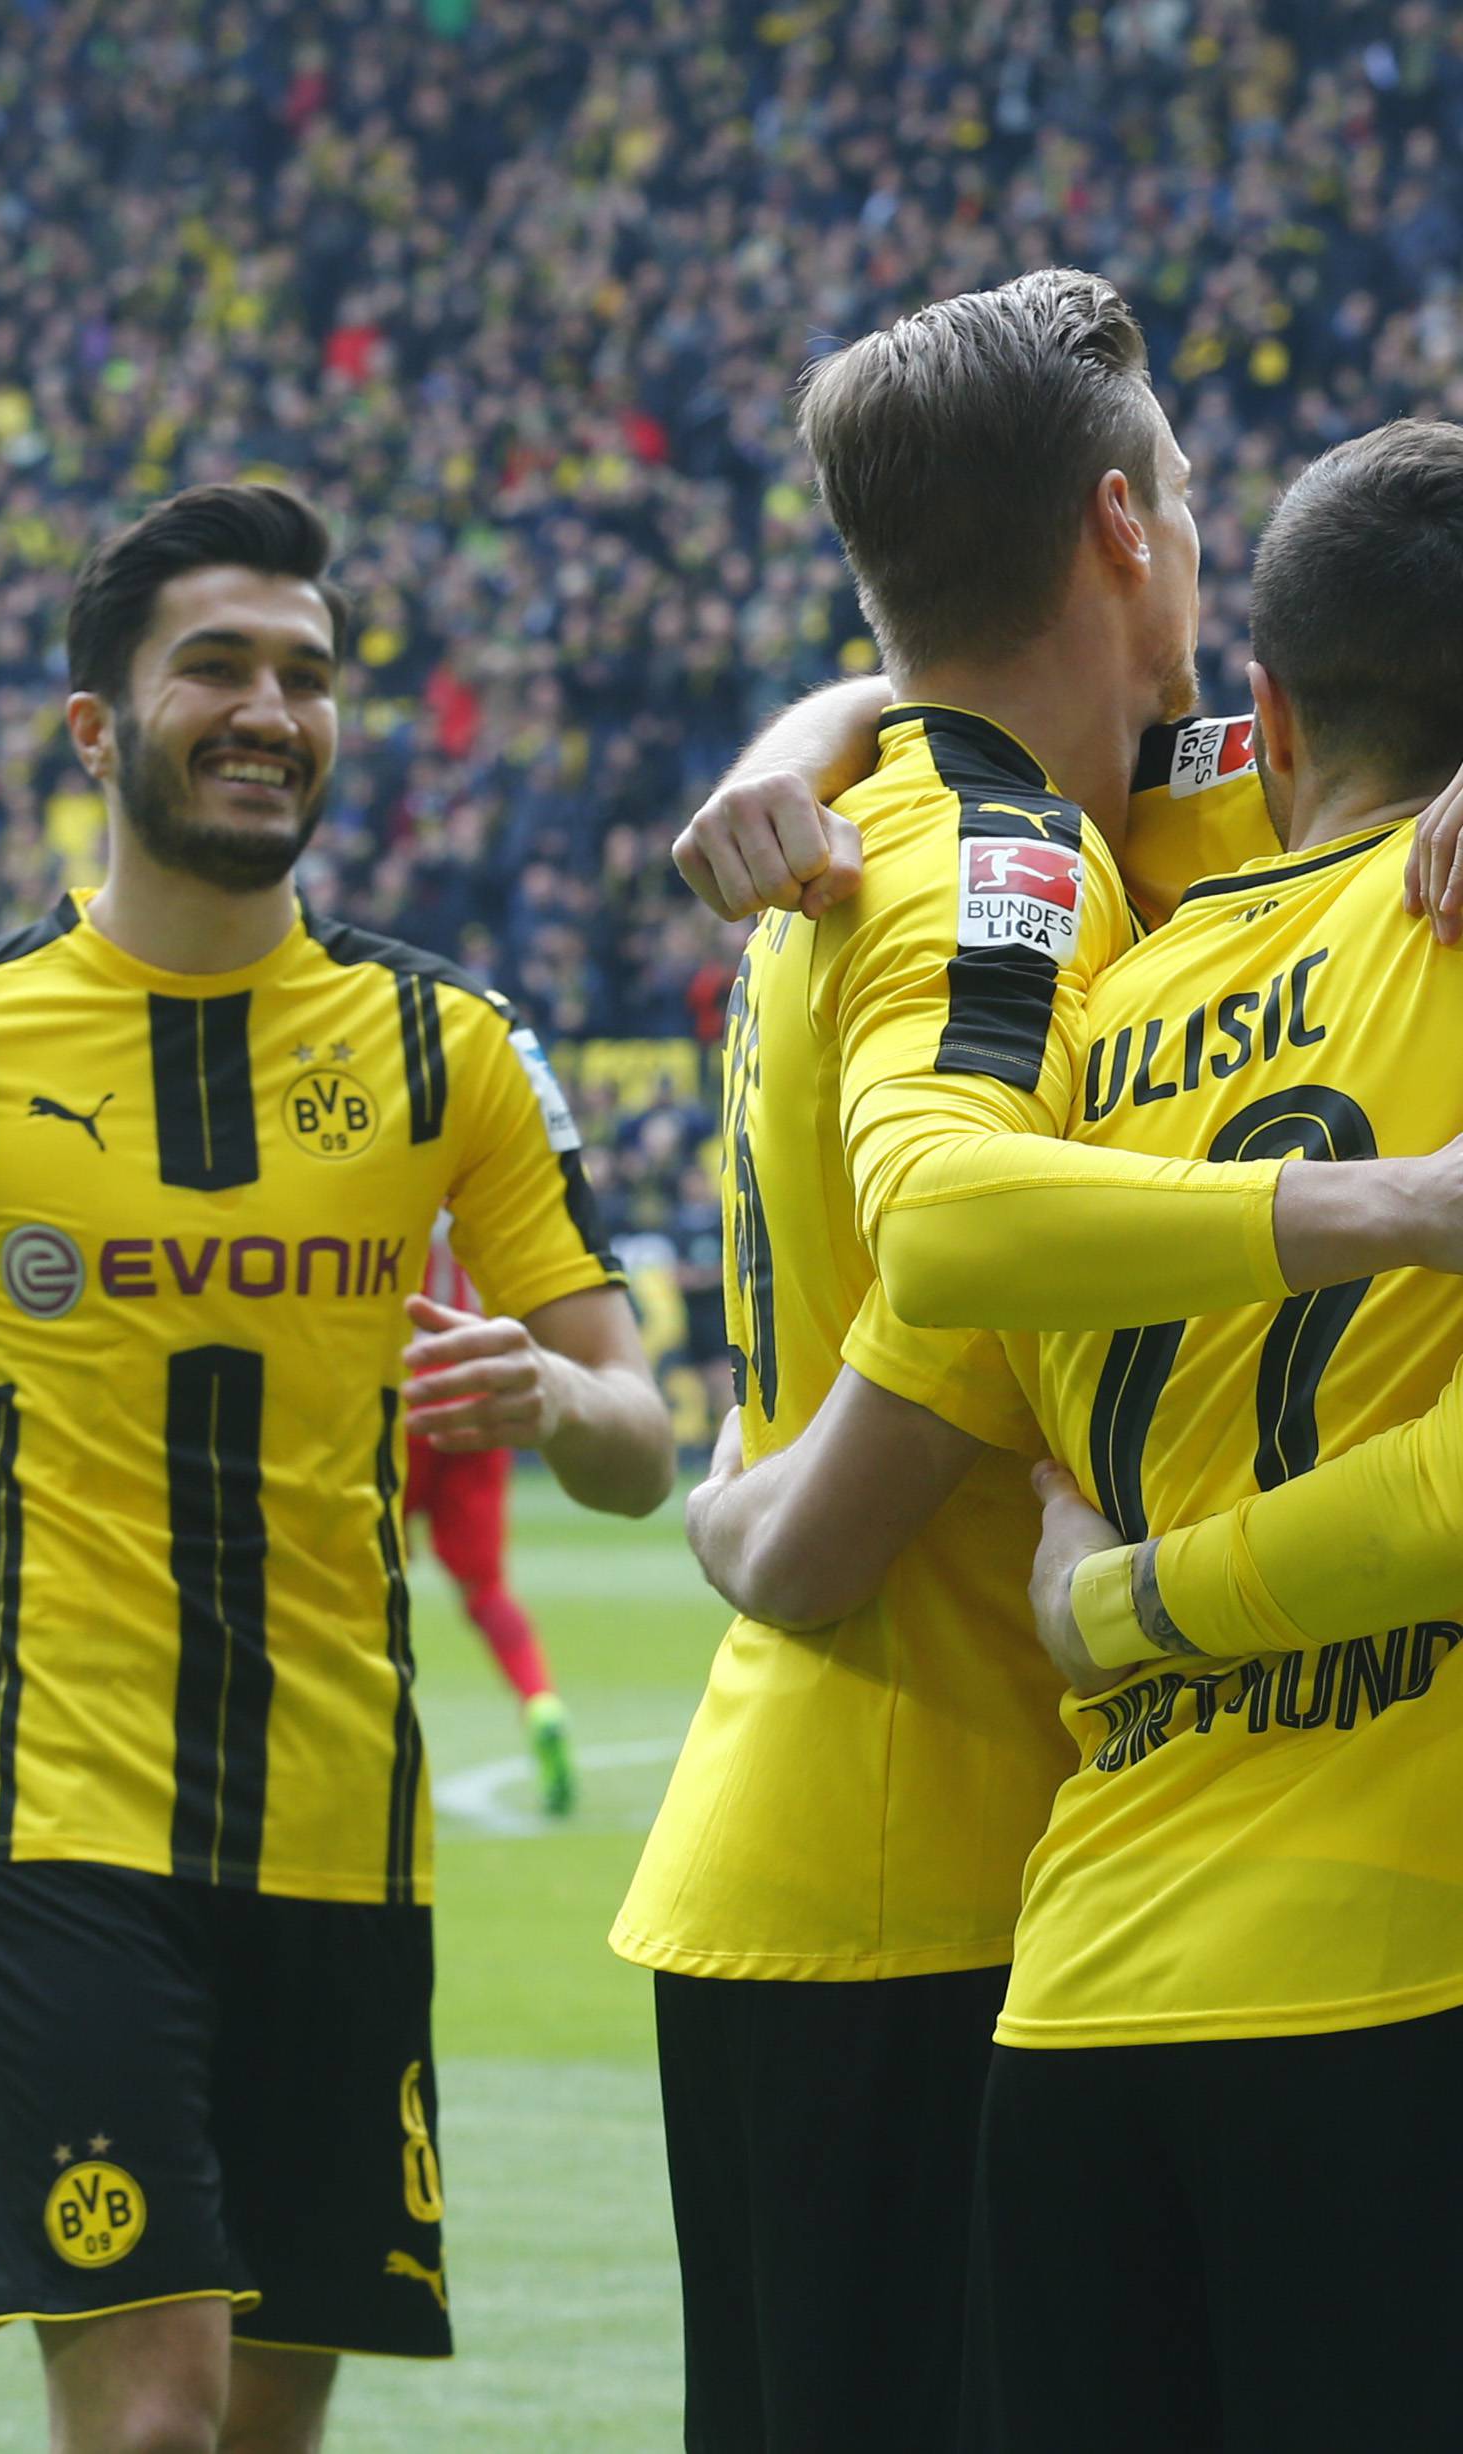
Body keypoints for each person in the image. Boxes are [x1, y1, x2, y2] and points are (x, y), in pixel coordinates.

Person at [0, 484, 674, 2454]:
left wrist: (550, 1402)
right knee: (150, 2429)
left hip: (343, 1835)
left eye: (306, 672)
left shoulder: (452, 1048)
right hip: (46, 1816)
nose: (269, 705)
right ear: (97, 727)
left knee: (265, 2438)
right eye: (216, 662)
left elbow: (641, 1447)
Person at [609, 273, 1463, 2452]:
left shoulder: (979, 804)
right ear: (1120, 526)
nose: (1201, 540)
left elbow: (1351, 730)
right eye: (1181, 492)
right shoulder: (992, 863)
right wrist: (1396, 1202)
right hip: (927, 1839)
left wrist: (802, 721)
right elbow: (957, 1235)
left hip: (911, 1849)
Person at [405, 1217, 575, 1814]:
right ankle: (540, 1701)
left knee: (368, 1580)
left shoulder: (397, 1172)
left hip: (404, 1399)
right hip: (481, 1397)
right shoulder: (489, 1188)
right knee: (486, 1590)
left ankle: (383, 1744)